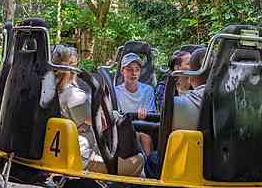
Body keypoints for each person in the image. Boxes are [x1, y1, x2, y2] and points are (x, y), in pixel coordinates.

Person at [52, 45, 144, 176]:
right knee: (138, 160)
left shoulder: (51, 92)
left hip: (62, 151)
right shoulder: (75, 96)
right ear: (74, 68)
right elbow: (103, 124)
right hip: (84, 158)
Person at [145, 47, 209, 178]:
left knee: (152, 159)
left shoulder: (179, 105)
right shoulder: (235, 98)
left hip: (189, 163)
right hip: (219, 161)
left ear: (192, 75)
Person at [115, 52, 156, 154]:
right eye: (129, 69)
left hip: (144, 129)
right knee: (137, 136)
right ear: (122, 71)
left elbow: (151, 116)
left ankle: (147, 167)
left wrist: (145, 114)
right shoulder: (115, 91)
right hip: (123, 129)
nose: (133, 73)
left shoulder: (148, 90)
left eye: (137, 70)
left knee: (144, 137)